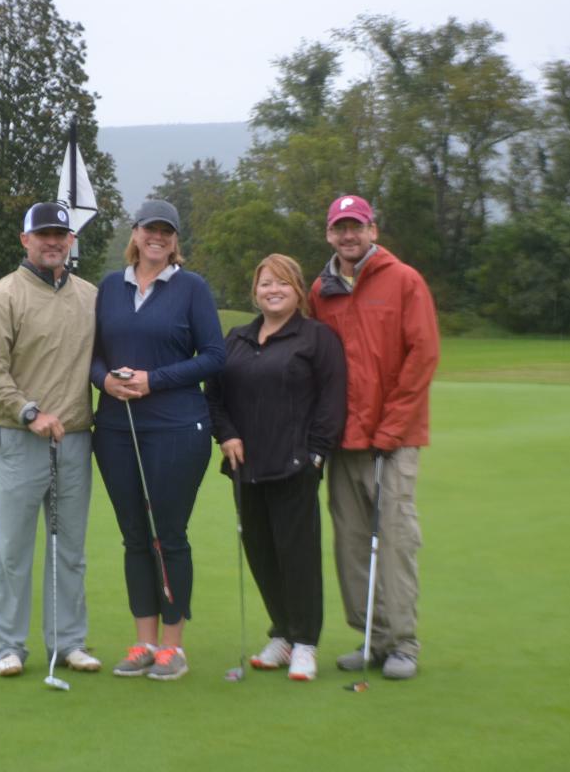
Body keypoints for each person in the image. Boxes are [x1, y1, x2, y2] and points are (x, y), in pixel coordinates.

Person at [91, 199, 225, 681]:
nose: (158, 238)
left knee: (167, 536)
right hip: (115, 429)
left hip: (176, 427)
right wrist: (105, 381)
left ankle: (173, 647)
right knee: (134, 538)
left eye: (167, 232)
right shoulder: (110, 286)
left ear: (175, 240)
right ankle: (143, 641)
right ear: (136, 232)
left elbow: (213, 356)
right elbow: (91, 355)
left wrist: (155, 379)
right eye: (151, 229)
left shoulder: (191, 288)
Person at [308, 194, 440, 681]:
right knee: (351, 543)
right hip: (343, 440)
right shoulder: (321, 291)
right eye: (340, 228)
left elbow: (421, 356)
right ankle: (371, 638)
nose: (348, 235)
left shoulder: (404, 281)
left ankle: (402, 642)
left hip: (394, 440)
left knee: (397, 540)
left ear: (373, 230)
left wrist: (392, 428)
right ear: (329, 234)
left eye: (356, 226)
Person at [0, 202, 102, 678]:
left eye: (60, 235)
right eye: (43, 234)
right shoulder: (1, 297)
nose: (52, 242)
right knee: (14, 548)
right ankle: (8, 644)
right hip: (20, 438)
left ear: (71, 241)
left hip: (75, 439)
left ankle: (68, 641)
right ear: (25, 240)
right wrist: (29, 412)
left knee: (69, 548)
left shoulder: (89, 295)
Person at [206, 254, 346, 681]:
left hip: (295, 466)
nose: (273, 290)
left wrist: (316, 455)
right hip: (246, 467)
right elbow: (214, 397)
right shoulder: (237, 339)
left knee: (298, 556)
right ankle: (282, 634)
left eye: (283, 283)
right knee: (262, 553)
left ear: (298, 290)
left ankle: (305, 642)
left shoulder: (316, 338)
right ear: (255, 291)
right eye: (266, 283)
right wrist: (226, 435)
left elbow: (331, 401)